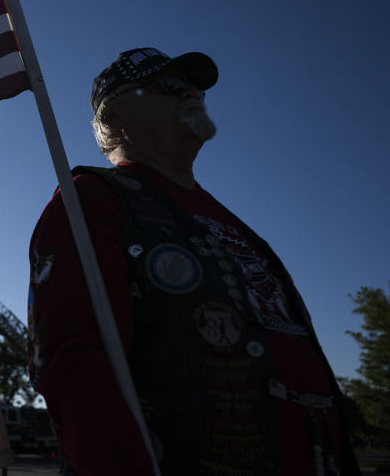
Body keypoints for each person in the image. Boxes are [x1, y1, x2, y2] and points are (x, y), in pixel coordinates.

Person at [28, 48, 360, 475]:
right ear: (115, 118)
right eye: (169, 85)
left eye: (194, 87)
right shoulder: (92, 200)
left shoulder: (229, 220)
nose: (191, 93)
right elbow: (74, 366)